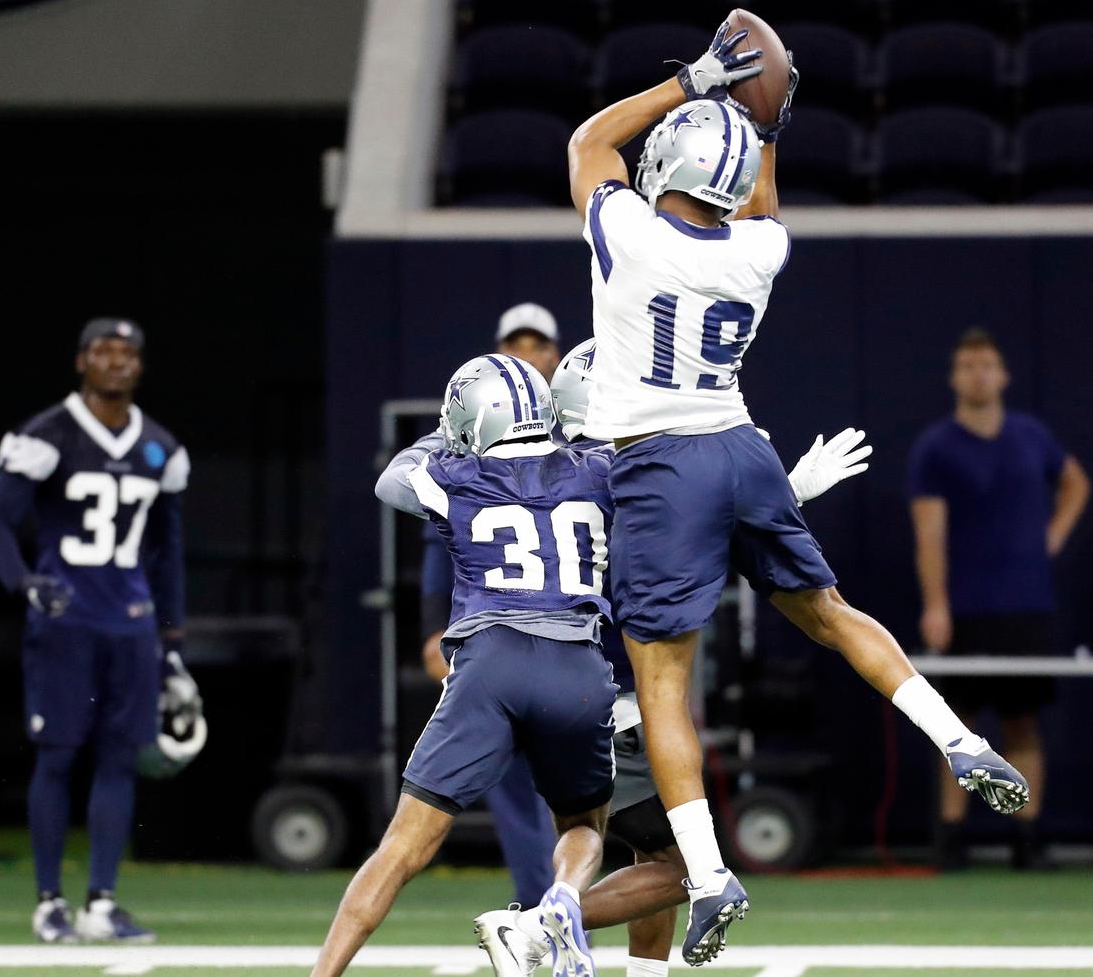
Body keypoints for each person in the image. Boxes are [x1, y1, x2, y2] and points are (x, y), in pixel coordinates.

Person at [566, 23, 1029, 963]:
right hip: (743, 447)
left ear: (677, 164)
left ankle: (708, 869)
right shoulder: (757, 254)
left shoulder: (629, 235)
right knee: (829, 610)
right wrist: (766, 125)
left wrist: (687, 84)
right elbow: (762, 200)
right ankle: (957, 736)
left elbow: (587, 144)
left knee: (662, 682)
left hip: (662, 461)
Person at [476, 338, 874, 977]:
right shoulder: (623, 475)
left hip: (558, 692)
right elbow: (693, 545)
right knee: (683, 868)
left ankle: (632, 966)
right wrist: (783, 491)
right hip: (613, 703)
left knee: (648, 848)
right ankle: (527, 931)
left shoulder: (557, 476)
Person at [310, 355, 616, 977]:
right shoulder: (600, 469)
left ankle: (323, 975)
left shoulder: (454, 473)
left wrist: (453, 435)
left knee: (401, 847)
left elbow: (392, 480)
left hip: (493, 665)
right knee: (584, 824)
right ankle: (559, 903)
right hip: (578, 670)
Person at [0, 318, 192, 944]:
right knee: (59, 755)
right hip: (66, 622)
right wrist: (24, 583)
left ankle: (100, 902)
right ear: (81, 362)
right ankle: (48, 902)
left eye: (129, 353)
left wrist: (172, 644)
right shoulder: (49, 434)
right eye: (105, 351)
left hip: (130, 624)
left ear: (140, 366)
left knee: (122, 759)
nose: (117, 362)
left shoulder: (161, 447)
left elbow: (167, 553)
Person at [908, 327, 1089, 870]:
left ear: (1002, 374)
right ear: (955, 377)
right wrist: (936, 605)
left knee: (1023, 724)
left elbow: (1075, 481)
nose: (977, 374)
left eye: (986, 364)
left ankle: (1025, 839)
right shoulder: (936, 448)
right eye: (967, 365)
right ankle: (952, 841)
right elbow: (929, 535)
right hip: (964, 610)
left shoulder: (1032, 436)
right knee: (956, 727)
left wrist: (1052, 535)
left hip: (1027, 609)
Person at [418, 304, 563, 908]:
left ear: (557, 357)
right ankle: (542, 909)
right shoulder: (469, 441)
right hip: (497, 633)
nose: (528, 358)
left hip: (570, 632)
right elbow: (438, 539)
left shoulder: (582, 427)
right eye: (516, 346)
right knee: (504, 785)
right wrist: (435, 630)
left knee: (579, 794)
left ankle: (561, 908)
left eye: (538, 347)